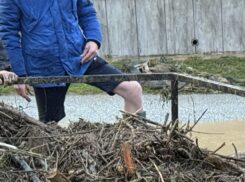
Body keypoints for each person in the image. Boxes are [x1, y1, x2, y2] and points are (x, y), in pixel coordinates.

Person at [0, 0, 144, 124]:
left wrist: (93, 39)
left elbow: (87, 13)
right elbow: (7, 33)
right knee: (49, 128)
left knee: (132, 90)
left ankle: (135, 150)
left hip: (79, 57)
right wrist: (19, 74)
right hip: (44, 66)